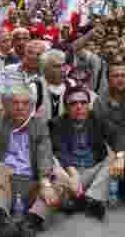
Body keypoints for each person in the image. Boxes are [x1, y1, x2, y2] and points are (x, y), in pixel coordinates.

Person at [0, 84, 60, 237]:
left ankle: (29, 223)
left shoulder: (39, 125)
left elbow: (45, 155)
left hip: (30, 182)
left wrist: (45, 183)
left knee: (57, 183)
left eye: (25, 103)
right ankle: (3, 222)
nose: (20, 107)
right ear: (7, 105)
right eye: (15, 103)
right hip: (4, 182)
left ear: (31, 106)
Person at [50, 87, 118, 220]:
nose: (79, 107)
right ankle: (87, 199)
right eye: (73, 103)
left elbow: (117, 135)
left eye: (83, 102)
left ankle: (89, 198)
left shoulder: (97, 119)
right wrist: (73, 175)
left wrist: (120, 156)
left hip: (93, 172)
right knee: (53, 169)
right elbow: (60, 152)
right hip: (70, 174)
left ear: (89, 105)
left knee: (114, 158)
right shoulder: (56, 123)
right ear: (66, 107)